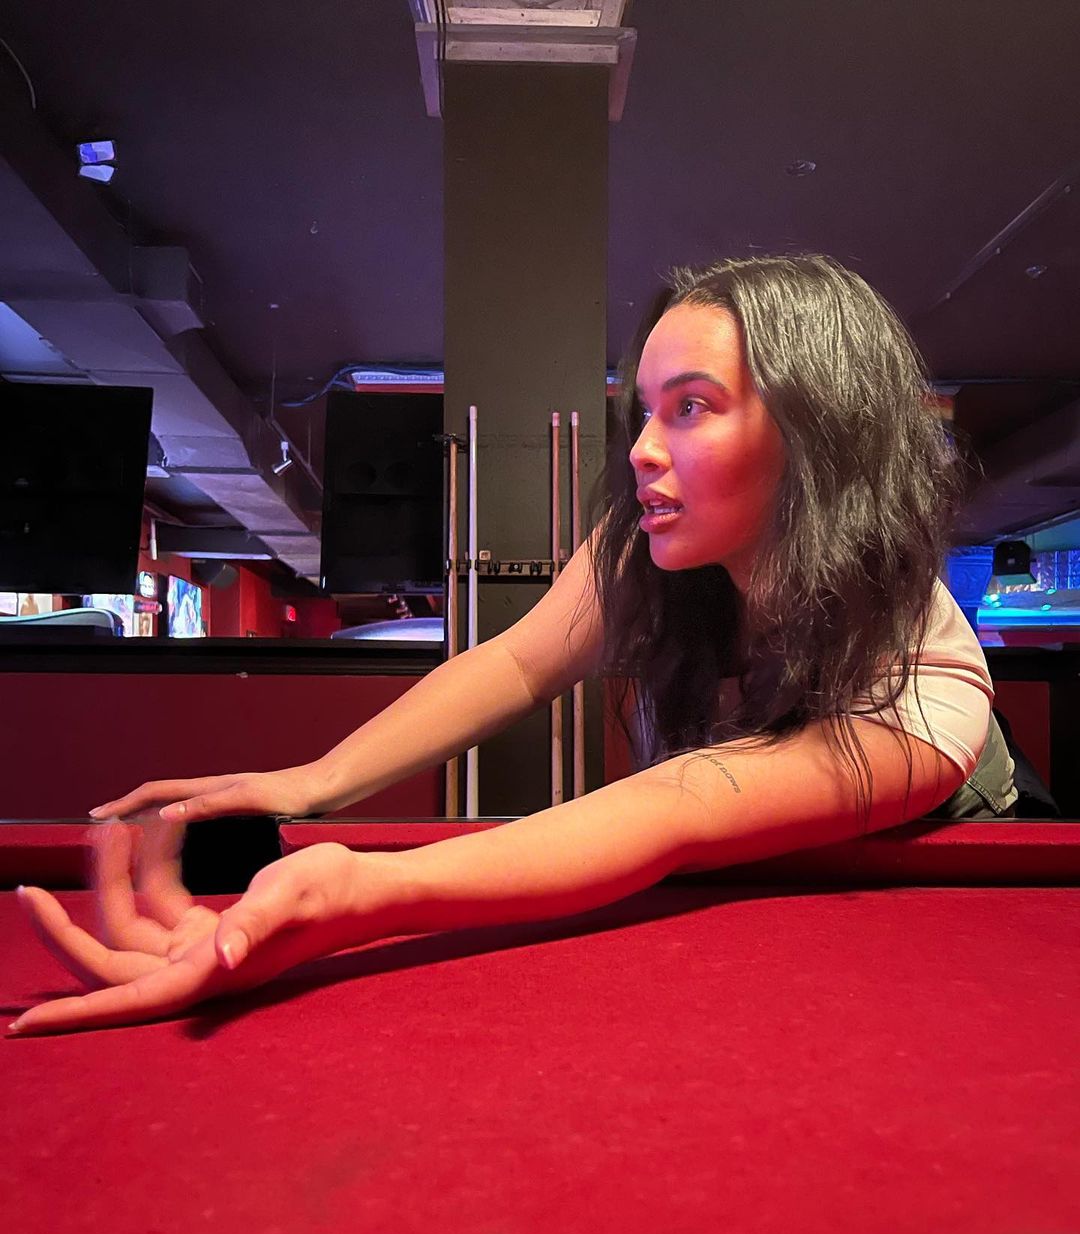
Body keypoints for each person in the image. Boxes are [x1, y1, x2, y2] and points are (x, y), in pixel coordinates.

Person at [8, 254, 1015, 1038]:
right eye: (645, 410)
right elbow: (516, 663)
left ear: (816, 431)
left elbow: (682, 805)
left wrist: (356, 890)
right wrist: (314, 782)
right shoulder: (648, 551)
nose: (641, 450)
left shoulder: (925, 681)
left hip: (904, 947)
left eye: (691, 406)